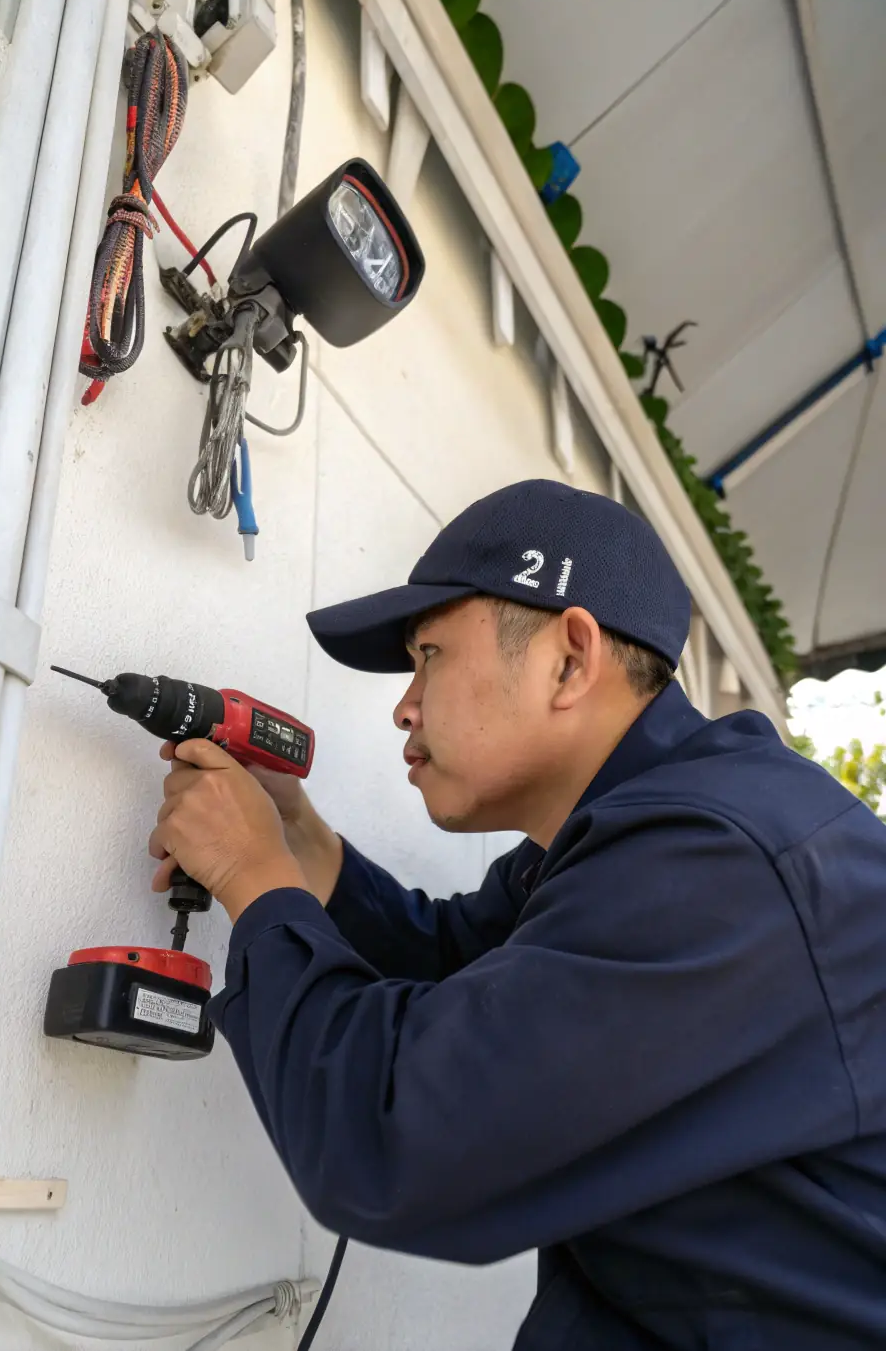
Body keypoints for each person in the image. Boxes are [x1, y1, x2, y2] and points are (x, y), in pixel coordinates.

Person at [149, 479, 886, 1351]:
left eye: (430, 655)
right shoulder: (644, 831)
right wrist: (308, 851)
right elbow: (456, 959)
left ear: (570, 659)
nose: (404, 704)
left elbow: (397, 1141)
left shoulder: (716, 870)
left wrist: (252, 874)